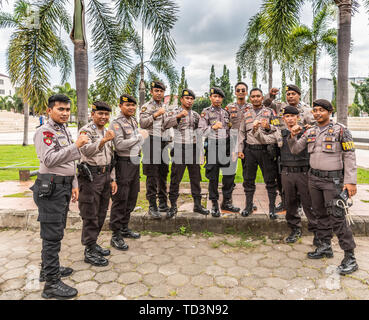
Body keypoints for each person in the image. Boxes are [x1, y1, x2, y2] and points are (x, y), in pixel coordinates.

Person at [288, 99, 358, 275]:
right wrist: (292, 135)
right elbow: (296, 149)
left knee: (337, 217)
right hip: (314, 179)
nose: (317, 113)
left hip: (333, 181)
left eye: (321, 110)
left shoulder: (341, 130)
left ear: (330, 111)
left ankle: (350, 257)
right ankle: (325, 246)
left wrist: (350, 181)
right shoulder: (310, 130)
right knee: (320, 215)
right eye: (315, 110)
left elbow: (349, 156)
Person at [31, 94, 88, 299]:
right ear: (49, 111)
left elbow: (69, 163)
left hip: (62, 186)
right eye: (60, 109)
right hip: (51, 188)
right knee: (52, 235)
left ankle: (47, 270)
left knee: (55, 231)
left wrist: (74, 184)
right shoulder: (44, 131)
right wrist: (77, 146)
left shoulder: (63, 129)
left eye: (67, 109)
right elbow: (49, 159)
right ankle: (51, 285)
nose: (65, 113)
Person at [254, 106, 318, 245]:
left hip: (303, 173)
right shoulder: (281, 133)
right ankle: (295, 229)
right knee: (290, 203)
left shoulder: (306, 132)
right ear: (284, 119)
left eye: (292, 116)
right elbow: (263, 139)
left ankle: (317, 233)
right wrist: (256, 130)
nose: (290, 119)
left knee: (309, 204)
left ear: (298, 118)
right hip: (287, 173)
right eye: (287, 116)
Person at [77, 101, 116, 267]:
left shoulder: (107, 131)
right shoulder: (86, 131)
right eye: (100, 113)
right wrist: (102, 141)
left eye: (106, 114)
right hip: (90, 177)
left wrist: (112, 178)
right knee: (90, 213)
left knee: (101, 212)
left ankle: (93, 244)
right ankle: (88, 250)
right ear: (92, 114)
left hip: (105, 175)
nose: (104, 117)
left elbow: (111, 157)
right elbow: (85, 150)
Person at [109, 94, 148, 250]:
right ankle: (115, 235)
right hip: (123, 163)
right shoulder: (116, 123)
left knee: (132, 197)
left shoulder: (133, 121)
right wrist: (139, 137)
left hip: (134, 162)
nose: (131, 107)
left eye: (133, 105)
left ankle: (124, 228)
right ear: (120, 106)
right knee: (120, 199)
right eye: (128, 105)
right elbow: (119, 145)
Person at [163, 89, 209, 218]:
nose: (189, 101)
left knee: (196, 178)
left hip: (193, 148)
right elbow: (165, 124)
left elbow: (199, 133)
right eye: (187, 98)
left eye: (191, 99)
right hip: (179, 148)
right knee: (175, 178)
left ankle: (197, 205)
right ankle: (173, 206)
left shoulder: (195, 115)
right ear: (182, 100)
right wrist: (177, 117)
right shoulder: (174, 112)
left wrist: (201, 153)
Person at [238, 88, 279, 220]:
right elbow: (241, 133)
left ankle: (272, 209)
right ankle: (248, 206)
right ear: (250, 98)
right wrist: (240, 149)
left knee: (270, 181)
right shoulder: (246, 113)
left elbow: (277, 130)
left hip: (265, 150)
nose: (255, 98)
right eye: (253, 96)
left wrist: (268, 127)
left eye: (258, 96)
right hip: (250, 150)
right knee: (248, 180)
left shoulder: (269, 112)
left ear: (262, 98)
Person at [198, 87, 240, 217]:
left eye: (219, 97)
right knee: (213, 177)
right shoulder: (205, 112)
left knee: (229, 175)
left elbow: (231, 131)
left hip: (226, 145)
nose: (217, 99)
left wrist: (233, 149)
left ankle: (226, 202)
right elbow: (200, 131)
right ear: (210, 98)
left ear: (222, 99)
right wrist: (212, 127)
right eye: (214, 96)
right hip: (212, 145)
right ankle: (214, 204)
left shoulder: (226, 113)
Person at [140, 81, 172, 218]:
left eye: (161, 91)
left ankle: (163, 203)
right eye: (156, 91)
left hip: (164, 141)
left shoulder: (166, 106)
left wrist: (177, 119)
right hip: (151, 141)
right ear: (151, 92)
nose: (159, 93)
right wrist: (156, 114)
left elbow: (167, 124)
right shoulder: (146, 107)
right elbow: (142, 123)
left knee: (163, 173)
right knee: (152, 174)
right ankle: (152, 206)